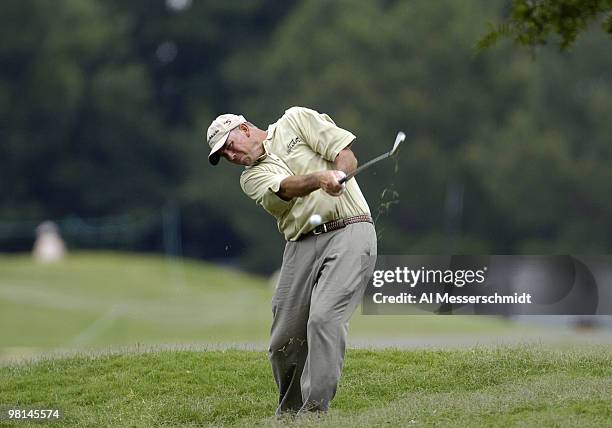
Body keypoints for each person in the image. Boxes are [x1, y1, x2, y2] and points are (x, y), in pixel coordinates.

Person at [207, 106, 377, 415]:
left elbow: (345, 153)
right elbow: (286, 188)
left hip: (350, 228)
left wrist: (339, 172)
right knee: (284, 341)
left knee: (324, 319)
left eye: (229, 146)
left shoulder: (295, 120)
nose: (231, 156)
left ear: (244, 130)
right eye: (224, 156)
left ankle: (313, 413)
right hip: (300, 244)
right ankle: (288, 416)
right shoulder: (251, 178)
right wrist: (320, 178)